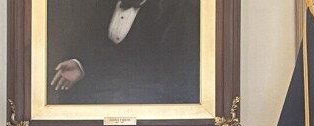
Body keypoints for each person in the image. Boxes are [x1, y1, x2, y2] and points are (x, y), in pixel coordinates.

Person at [48, 0, 200, 105]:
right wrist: (80, 65)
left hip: (149, 104)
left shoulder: (178, 11)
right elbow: (90, 44)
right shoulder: (102, 7)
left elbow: (172, 73)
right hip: (98, 105)